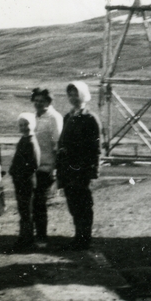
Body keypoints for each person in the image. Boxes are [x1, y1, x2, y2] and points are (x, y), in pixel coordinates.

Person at [55, 81, 101, 250]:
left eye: (76, 94)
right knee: (73, 203)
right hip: (68, 169)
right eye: (70, 94)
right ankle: (78, 235)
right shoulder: (68, 116)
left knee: (83, 204)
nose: (73, 97)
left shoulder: (90, 118)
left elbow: (96, 147)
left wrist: (92, 171)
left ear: (83, 95)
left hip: (82, 169)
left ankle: (85, 238)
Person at [29, 87, 63, 249]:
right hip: (32, 168)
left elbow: (57, 145)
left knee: (39, 203)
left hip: (46, 167)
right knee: (32, 203)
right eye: (35, 101)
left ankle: (41, 237)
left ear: (48, 102)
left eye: (41, 101)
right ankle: (31, 235)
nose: (38, 104)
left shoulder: (54, 118)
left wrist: (55, 169)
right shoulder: (33, 117)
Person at [8, 112, 41, 250]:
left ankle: (27, 240)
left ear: (32, 125)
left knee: (26, 211)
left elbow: (33, 164)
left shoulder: (31, 142)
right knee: (23, 210)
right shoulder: (24, 140)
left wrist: (20, 174)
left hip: (26, 181)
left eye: (26, 124)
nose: (23, 127)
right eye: (21, 125)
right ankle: (24, 237)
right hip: (20, 180)